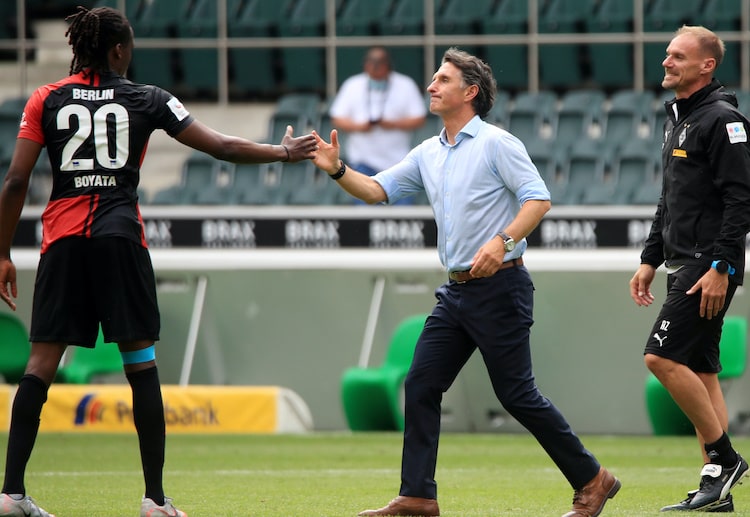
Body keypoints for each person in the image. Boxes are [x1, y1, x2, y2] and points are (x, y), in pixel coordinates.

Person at [0, 6, 317, 517]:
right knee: (141, 365)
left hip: (62, 241)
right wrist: (283, 153)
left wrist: (1, 253)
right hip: (119, 238)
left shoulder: (45, 98)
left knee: (40, 366)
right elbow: (222, 146)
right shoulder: (148, 98)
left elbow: (16, 180)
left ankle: (11, 494)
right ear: (119, 50)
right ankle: (154, 500)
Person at [312, 47, 620, 517]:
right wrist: (337, 168)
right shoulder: (428, 151)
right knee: (420, 384)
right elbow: (375, 190)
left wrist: (502, 241)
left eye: (442, 79)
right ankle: (418, 496)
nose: (431, 86)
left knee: (517, 395)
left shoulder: (498, 143)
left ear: (470, 91)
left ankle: (593, 479)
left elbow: (538, 200)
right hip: (455, 292)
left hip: (501, 288)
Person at [629, 25, 750, 513]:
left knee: (659, 358)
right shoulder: (679, 119)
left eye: (678, 56)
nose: (666, 61)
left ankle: (725, 459)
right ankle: (716, 488)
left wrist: (721, 265)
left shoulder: (723, 120)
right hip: (683, 261)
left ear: (707, 65)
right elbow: (670, 198)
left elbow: (741, 199)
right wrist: (649, 258)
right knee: (702, 371)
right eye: (667, 54)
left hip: (707, 264)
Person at [328, 46, 427, 205]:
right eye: (372, 64)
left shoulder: (405, 84)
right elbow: (337, 117)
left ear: (388, 65)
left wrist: (394, 124)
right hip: (362, 162)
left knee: (403, 215)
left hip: (398, 162)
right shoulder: (352, 85)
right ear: (366, 65)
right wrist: (359, 127)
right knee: (364, 213)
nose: (375, 69)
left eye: (380, 64)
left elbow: (419, 118)